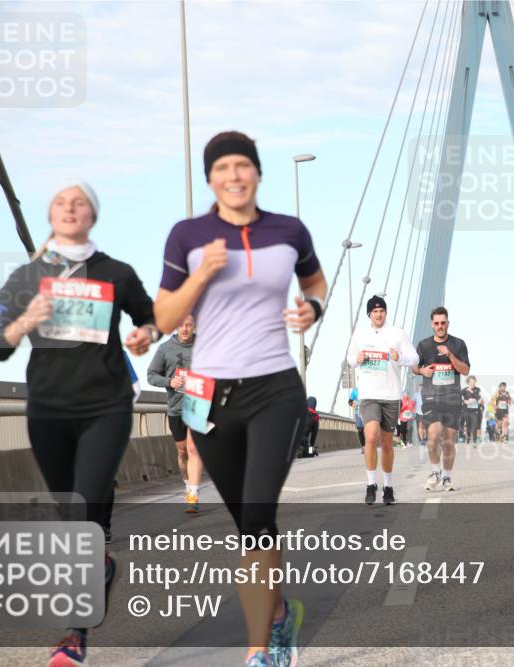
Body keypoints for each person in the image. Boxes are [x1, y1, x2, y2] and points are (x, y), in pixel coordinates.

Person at [155, 131, 327, 666]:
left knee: (256, 516)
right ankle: (279, 614)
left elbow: (316, 283)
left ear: (256, 173)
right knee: (250, 524)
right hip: (211, 398)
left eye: (242, 166)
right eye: (222, 167)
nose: (233, 175)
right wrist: (201, 274)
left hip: (275, 388)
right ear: (211, 178)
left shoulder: (288, 231)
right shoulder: (187, 236)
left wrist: (312, 310)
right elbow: (164, 316)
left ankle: (261, 650)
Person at [0, 181, 159, 667]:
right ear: (51, 216)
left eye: (79, 201)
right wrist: (23, 322)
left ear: (92, 216)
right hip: (48, 410)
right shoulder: (25, 277)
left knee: (80, 512)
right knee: (70, 517)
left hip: (106, 405)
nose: (70, 207)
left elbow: (150, 319)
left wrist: (144, 334)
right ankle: (98, 563)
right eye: (61, 201)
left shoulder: (116, 273)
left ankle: (73, 636)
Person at [346, 295, 419, 505]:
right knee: (370, 437)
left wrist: (400, 358)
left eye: (382, 311)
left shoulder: (398, 334)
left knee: (387, 443)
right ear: (369, 314)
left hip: (391, 395)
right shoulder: (360, 335)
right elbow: (351, 359)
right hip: (368, 394)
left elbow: (414, 358)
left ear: (386, 312)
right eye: (375, 311)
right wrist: (357, 360)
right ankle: (371, 484)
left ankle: (388, 486)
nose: (379, 314)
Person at [147, 313, 204, 512]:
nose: (186, 329)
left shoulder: (205, 345)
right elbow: (151, 376)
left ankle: (193, 495)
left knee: (193, 448)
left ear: (195, 326)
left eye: (189, 325)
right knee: (182, 451)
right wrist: (169, 382)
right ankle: (188, 485)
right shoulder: (164, 349)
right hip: (176, 407)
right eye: (182, 325)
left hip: (198, 405)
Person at [413, 307, 470, 492]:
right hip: (431, 398)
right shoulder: (423, 345)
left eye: (443, 323)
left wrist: (450, 355)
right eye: (436, 323)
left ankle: (447, 477)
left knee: (449, 441)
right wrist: (422, 371)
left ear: (448, 323)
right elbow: (414, 367)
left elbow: (465, 370)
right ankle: (435, 471)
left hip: (452, 398)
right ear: (432, 324)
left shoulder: (458, 344)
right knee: (433, 435)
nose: (440, 326)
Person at [461, 376, 483, 448]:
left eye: (474, 382)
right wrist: (464, 401)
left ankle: (474, 441)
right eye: (471, 382)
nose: (473, 383)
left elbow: (478, 397)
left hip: (475, 410)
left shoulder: (477, 389)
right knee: (468, 425)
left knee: (475, 425)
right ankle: (468, 436)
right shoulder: (464, 390)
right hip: (466, 410)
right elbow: (459, 398)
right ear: (468, 382)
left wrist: (472, 392)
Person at [349, 387, 365, 453]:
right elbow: (350, 401)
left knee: (369, 429)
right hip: (358, 412)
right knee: (360, 430)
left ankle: (369, 445)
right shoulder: (355, 390)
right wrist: (352, 404)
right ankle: (363, 446)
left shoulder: (370, 386)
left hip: (368, 411)